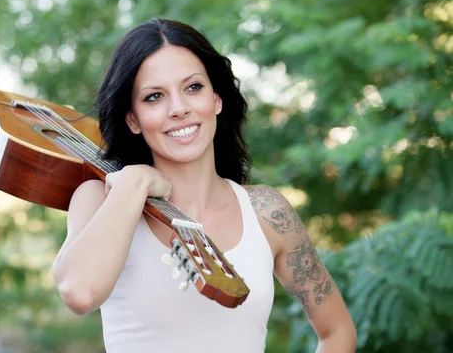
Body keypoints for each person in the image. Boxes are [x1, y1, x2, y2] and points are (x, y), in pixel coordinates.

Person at [51, 18, 357, 352]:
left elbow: (337, 331)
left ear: (217, 99)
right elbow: (79, 293)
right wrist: (134, 183)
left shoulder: (267, 213)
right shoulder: (101, 200)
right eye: (154, 97)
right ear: (133, 119)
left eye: (193, 87)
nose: (179, 108)